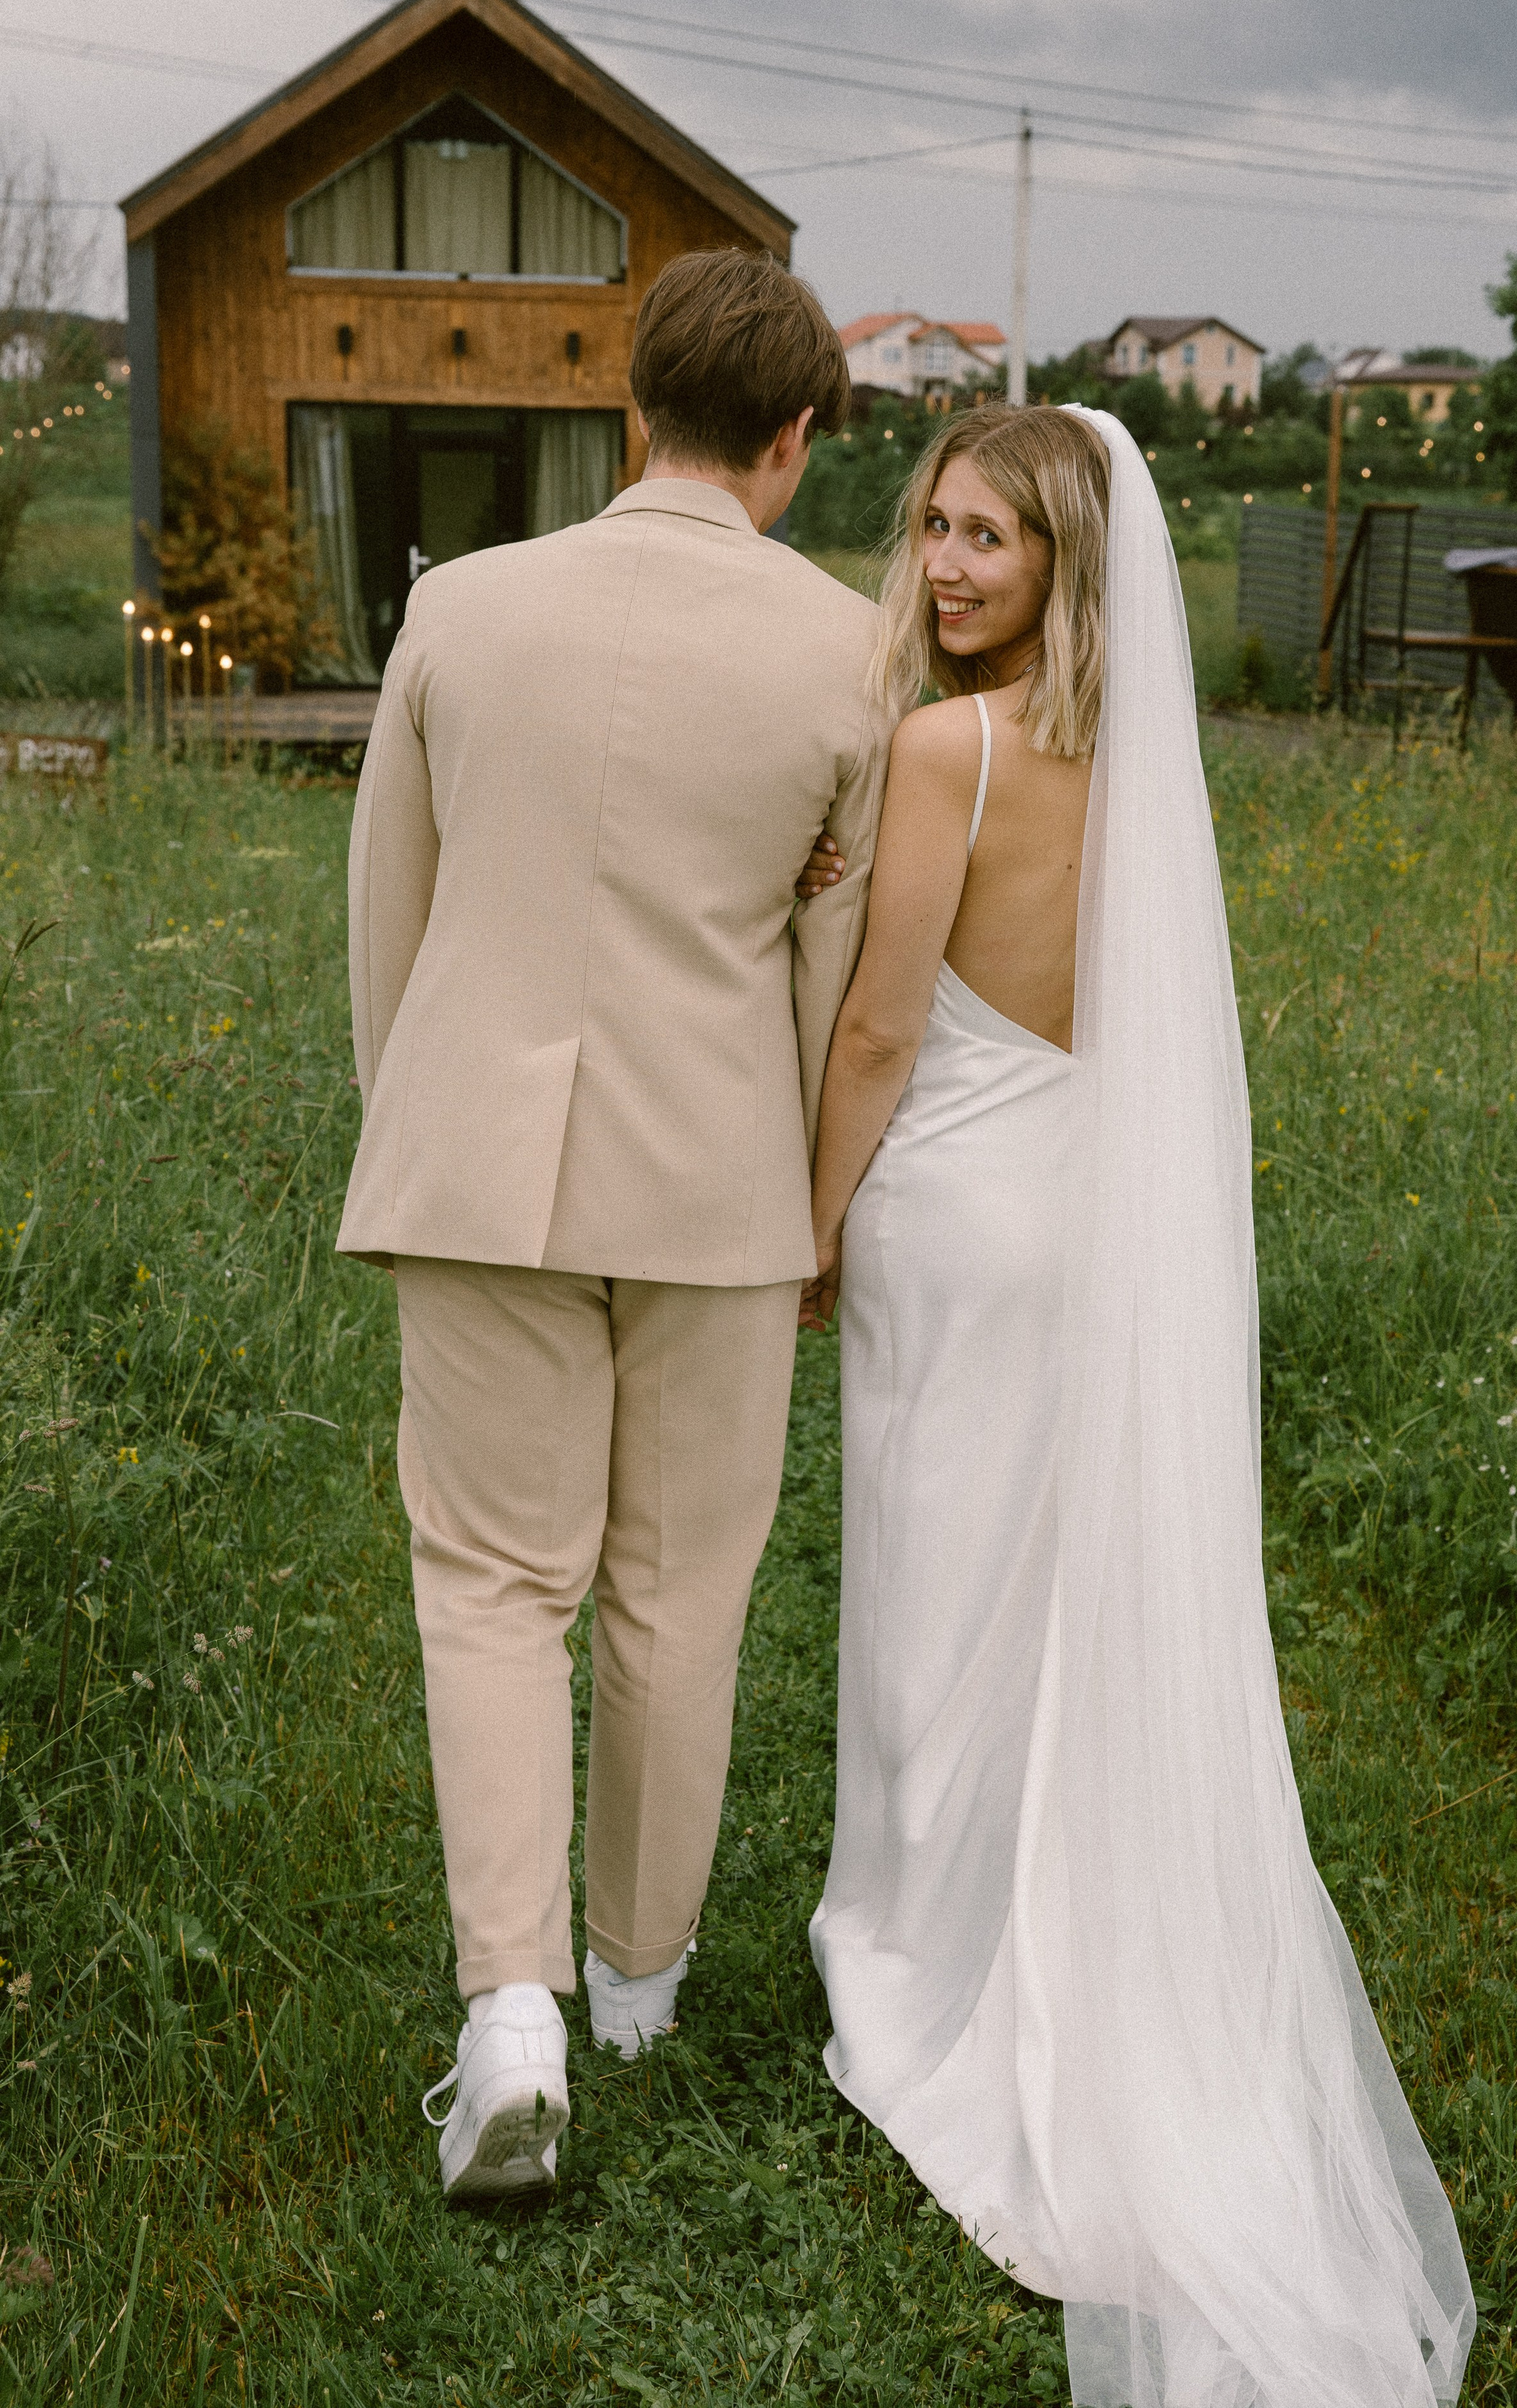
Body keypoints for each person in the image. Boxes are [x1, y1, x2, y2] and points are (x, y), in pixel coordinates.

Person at [799, 405, 1476, 2408]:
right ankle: (1043, 1921)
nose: (942, 566)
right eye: (931, 527)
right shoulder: (1146, 764)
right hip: (1093, 1218)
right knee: (1052, 1586)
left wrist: (813, 1221)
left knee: (935, 1594)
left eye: (988, 538)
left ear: (1069, 564)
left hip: (958, 1212)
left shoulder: (956, 748)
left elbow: (888, 1023)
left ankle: (920, 1964)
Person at [338, 249, 889, 2199]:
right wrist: (818, 1212)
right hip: (722, 1180)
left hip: (473, 1151)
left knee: (493, 1583)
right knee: (683, 1585)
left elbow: (386, 904)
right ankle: (635, 1983)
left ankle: (510, 2017)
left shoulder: (458, 610)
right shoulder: (852, 657)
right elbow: (841, 966)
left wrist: (407, 1117)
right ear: (800, 438)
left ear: (628, 397)